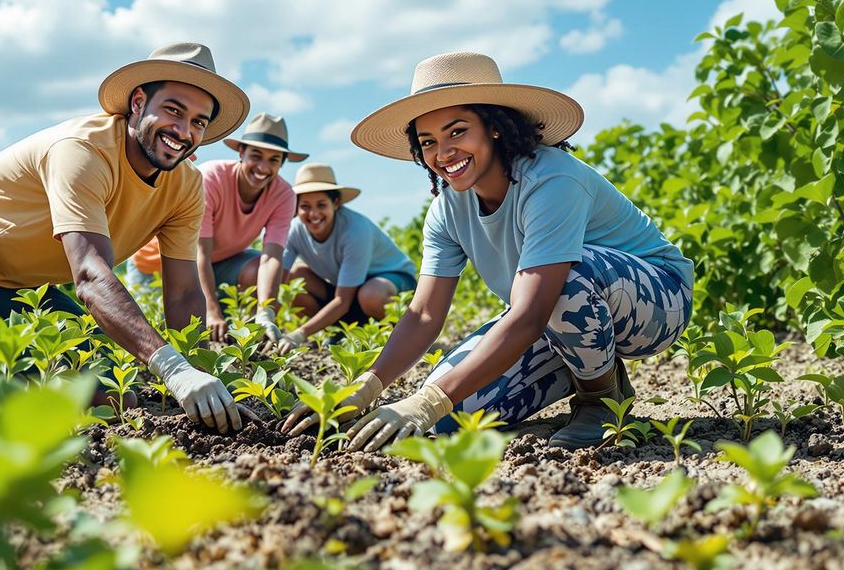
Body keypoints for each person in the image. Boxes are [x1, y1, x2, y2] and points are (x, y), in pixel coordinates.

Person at [282, 52, 693, 450]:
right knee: (447, 417)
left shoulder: (551, 179)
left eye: (457, 131)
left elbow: (531, 313)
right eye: (428, 141)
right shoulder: (447, 209)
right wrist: (366, 387)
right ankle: (584, 366)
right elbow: (424, 314)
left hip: (654, 302)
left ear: (494, 126)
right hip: (555, 319)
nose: (443, 153)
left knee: (568, 276)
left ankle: (600, 399)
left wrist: (427, 401)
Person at [0, 42, 254, 433]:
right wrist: (170, 368)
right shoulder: (83, 150)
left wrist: (201, 378)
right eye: (173, 110)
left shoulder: (186, 187)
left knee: (111, 397)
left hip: (7, 289)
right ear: (138, 102)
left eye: (199, 122)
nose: (184, 131)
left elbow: (184, 294)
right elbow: (89, 275)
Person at [274, 163, 417, 354]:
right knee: (295, 277)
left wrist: (299, 334)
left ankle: (410, 335)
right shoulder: (294, 230)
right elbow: (278, 278)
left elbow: (342, 300)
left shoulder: (355, 230)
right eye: (305, 206)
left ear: (336, 203)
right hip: (350, 292)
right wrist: (262, 316)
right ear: (296, 208)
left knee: (370, 294)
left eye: (321, 205)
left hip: (390, 283)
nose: (313, 214)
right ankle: (339, 332)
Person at [188, 113, 306, 344]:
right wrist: (211, 312)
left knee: (260, 269)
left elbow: (271, 257)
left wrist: (265, 311)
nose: (263, 167)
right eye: (256, 156)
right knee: (170, 324)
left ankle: (247, 337)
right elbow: (198, 252)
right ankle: (213, 310)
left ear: (282, 163)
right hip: (172, 262)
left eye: (274, 160)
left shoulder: (283, 195)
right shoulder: (211, 178)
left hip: (222, 263)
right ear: (241, 153)